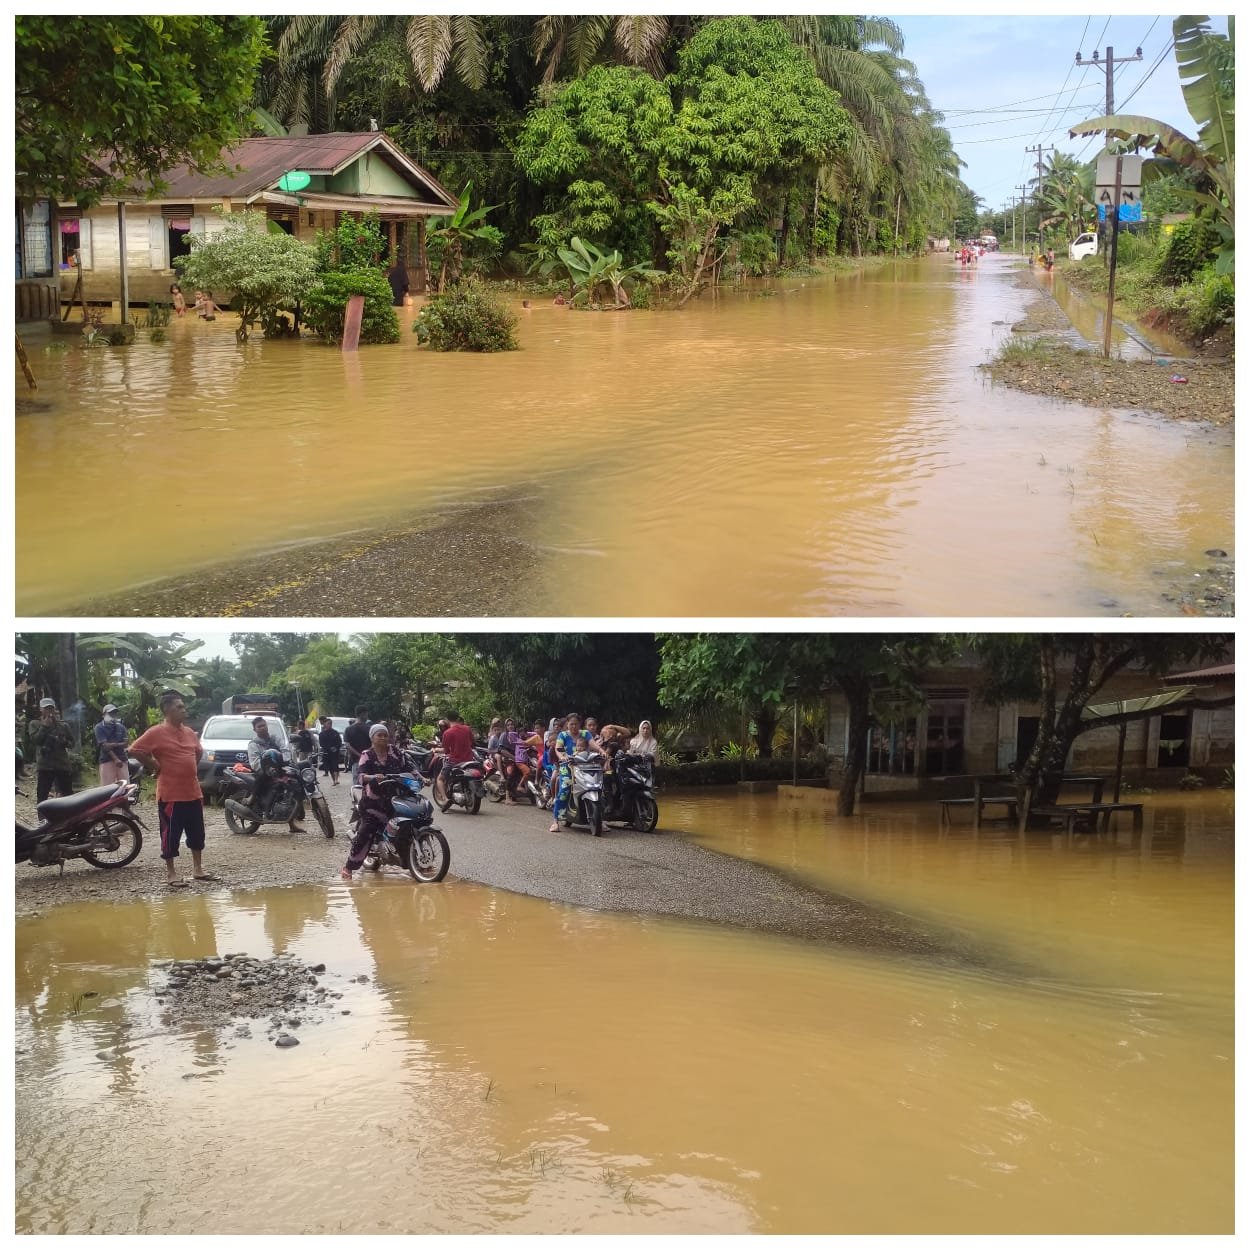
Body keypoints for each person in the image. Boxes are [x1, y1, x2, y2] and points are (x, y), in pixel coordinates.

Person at [129, 691, 216, 889]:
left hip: (193, 792)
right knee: (170, 834)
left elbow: (198, 752)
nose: (184, 710)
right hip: (171, 795)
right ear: (167, 710)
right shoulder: (156, 732)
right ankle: (171, 873)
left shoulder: (189, 732)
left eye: (183, 707)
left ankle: (198, 869)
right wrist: (154, 764)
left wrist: (188, 769)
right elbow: (134, 750)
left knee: (197, 833)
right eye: (179, 707)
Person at [341, 723, 410, 880]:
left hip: (396, 798)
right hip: (373, 801)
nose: (384, 738)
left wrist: (422, 778)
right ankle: (348, 867)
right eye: (380, 735)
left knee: (407, 824)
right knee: (367, 830)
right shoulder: (367, 754)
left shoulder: (396, 752)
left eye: (385, 735)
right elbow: (360, 776)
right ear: (372, 738)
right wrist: (372, 777)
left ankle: (412, 862)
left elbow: (409, 767)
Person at [248, 717, 304, 833]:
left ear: (267, 726)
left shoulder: (275, 739)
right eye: (259, 726)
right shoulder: (253, 744)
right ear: (255, 729)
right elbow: (254, 763)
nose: (262, 728)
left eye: (263, 725)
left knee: (296, 778)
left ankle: (298, 808)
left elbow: (285, 750)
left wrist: (287, 761)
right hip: (264, 770)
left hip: (280, 767)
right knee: (263, 776)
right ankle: (252, 798)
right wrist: (268, 767)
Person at [29, 697, 75, 802]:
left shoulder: (63, 725)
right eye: (46, 708)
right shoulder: (35, 724)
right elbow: (35, 741)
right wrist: (44, 727)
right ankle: (43, 818)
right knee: (42, 795)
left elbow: (72, 743)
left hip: (62, 765)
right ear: (41, 709)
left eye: (51, 708)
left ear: (54, 709)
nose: (49, 711)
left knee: (68, 794)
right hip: (45, 766)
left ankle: (70, 817)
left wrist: (64, 742)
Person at [95, 703, 129, 786]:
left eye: (114, 713)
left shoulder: (121, 727)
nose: (113, 715)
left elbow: (126, 744)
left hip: (122, 759)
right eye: (110, 713)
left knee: (125, 787)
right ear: (104, 715)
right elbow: (104, 746)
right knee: (107, 788)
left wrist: (112, 744)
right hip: (107, 760)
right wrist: (116, 759)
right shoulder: (99, 727)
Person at [344, 707, 371, 781]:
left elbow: (347, 745)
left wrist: (359, 754)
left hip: (356, 761)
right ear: (362, 714)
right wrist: (365, 753)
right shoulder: (369, 729)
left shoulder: (348, 729)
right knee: (369, 783)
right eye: (366, 714)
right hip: (369, 760)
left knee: (357, 785)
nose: (367, 716)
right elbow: (374, 743)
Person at [318, 716, 343, 786]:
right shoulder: (322, 734)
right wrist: (329, 748)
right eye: (328, 723)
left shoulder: (335, 732)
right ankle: (333, 780)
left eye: (330, 723)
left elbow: (339, 742)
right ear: (325, 724)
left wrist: (336, 747)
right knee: (330, 768)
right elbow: (322, 744)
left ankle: (336, 780)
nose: (329, 725)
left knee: (335, 766)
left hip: (335, 753)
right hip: (327, 753)